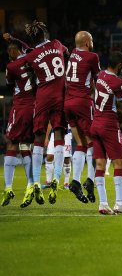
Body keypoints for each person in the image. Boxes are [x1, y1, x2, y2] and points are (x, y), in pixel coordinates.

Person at [11, 20, 69, 205]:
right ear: (44, 34)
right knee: (59, 133)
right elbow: (66, 54)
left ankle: (36, 180)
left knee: (38, 137)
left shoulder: (31, 56)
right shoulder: (57, 44)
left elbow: (24, 65)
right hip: (60, 94)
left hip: (42, 97)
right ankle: (56, 180)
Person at [91, 51, 122, 215]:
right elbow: (121, 109)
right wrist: (120, 124)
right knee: (119, 164)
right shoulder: (118, 83)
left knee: (100, 165)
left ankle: (103, 204)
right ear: (119, 65)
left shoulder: (100, 75)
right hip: (109, 124)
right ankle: (120, 203)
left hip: (95, 123)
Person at [64, 31, 100, 203]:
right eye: (91, 40)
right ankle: (90, 181)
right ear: (86, 42)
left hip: (68, 102)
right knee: (94, 142)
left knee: (80, 143)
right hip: (82, 103)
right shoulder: (92, 57)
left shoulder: (72, 54)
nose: (92, 43)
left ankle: (76, 182)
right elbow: (98, 79)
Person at [1, 36, 35, 208]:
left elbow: (9, 84)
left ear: (14, 51)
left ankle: (8, 188)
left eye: (9, 51)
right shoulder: (31, 57)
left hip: (21, 106)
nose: (8, 55)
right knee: (25, 146)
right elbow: (27, 46)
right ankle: (30, 185)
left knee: (12, 143)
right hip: (34, 107)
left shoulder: (11, 66)